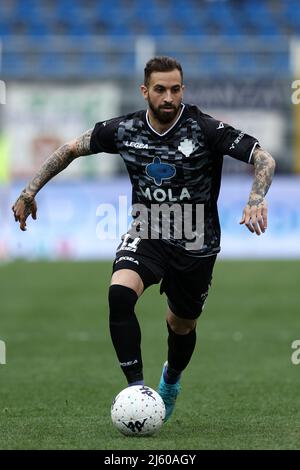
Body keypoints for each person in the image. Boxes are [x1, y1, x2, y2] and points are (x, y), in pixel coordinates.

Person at [12, 56, 275, 422]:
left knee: (181, 325)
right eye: (160, 89)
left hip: (197, 240)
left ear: (183, 89)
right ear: (145, 91)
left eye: (175, 89)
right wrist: (29, 191)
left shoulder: (204, 128)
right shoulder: (125, 129)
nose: (168, 97)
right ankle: (138, 391)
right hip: (147, 230)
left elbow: (264, 158)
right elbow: (71, 148)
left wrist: (256, 199)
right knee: (119, 294)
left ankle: (171, 379)